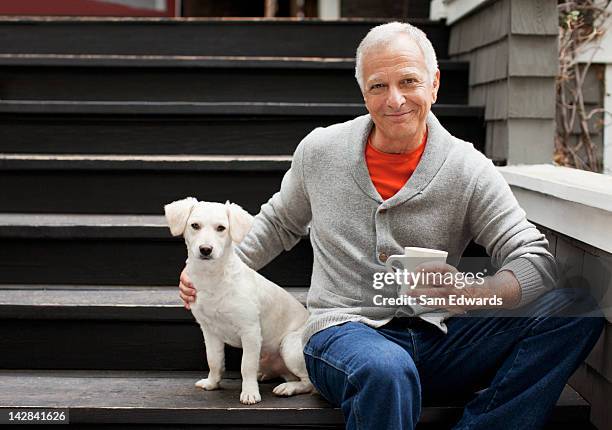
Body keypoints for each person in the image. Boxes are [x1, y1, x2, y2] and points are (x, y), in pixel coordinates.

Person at [178, 22, 604, 429]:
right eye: (378, 86)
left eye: (409, 82)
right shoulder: (321, 151)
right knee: (386, 369)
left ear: (434, 83)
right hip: (343, 335)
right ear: (363, 92)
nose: (394, 99)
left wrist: (475, 292)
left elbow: (533, 259)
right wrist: (208, 274)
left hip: (441, 339)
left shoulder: (467, 167)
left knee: (577, 309)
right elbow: (277, 224)